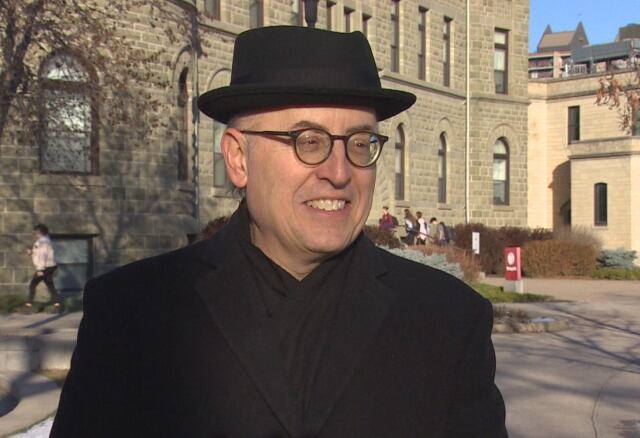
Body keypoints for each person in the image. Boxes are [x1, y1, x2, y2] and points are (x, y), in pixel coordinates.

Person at [52, 27, 506, 437]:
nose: (339, 171)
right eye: (308, 141)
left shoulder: (447, 320)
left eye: (360, 142)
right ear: (238, 159)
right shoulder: (135, 314)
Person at [26, 224, 61, 309]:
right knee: (49, 284)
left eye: (35, 232)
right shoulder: (46, 240)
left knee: (33, 284)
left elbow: (43, 256)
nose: (34, 234)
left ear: (39, 232)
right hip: (50, 266)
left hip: (45, 267)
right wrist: (31, 253)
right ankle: (56, 304)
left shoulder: (43, 242)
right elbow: (39, 254)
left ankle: (29, 304)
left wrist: (40, 270)